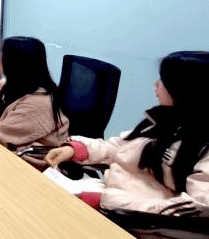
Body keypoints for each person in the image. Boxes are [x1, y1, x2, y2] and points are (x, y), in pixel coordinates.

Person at [46, 51, 209, 215]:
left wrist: (107, 202)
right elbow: (120, 148)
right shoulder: (164, 121)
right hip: (110, 199)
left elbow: (198, 208)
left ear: (186, 91)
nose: (156, 84)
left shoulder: (203, 147)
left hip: (136, 220)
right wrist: (76, 149)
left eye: (164, 81)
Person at [0, 36, 69, 170]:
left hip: (32, 164)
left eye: (0, 52)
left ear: (15, 61)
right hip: (7, 150)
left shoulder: (38, 102)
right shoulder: (5, 85)